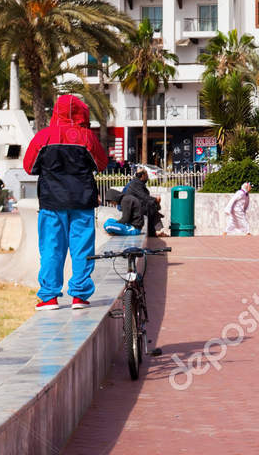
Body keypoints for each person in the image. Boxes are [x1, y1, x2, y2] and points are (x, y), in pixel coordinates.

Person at [22, 94, 108, 311]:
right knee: (82, 249)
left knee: (51, 249)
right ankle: (79, 296)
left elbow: (29, 167)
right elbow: (101, 164)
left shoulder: (43, 137)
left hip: (52, 203)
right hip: (82, 201)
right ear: (82, 113)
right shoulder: (87, 137)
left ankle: (49, 297)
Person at [118, 168, 162, 236]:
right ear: (143, 176)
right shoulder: (136, 183)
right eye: (147, 175)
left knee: (151, 207)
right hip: (130, 207)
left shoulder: (137, 182)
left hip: (134, 205)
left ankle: (155, 230)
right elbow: (143, 196)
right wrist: (155, 200)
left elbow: (143, 197)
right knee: (151, 208)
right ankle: (154, 231)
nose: (147, 177)